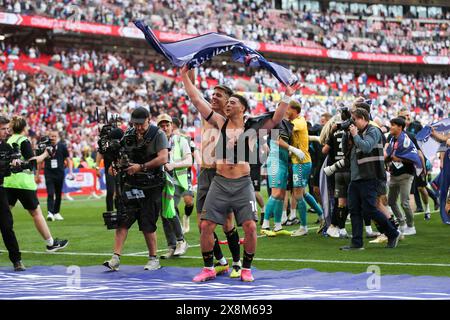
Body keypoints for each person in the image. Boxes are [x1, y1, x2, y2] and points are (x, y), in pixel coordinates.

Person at [182, 65, 300, 282]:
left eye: (232, 102)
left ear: (243, 108)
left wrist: (287, 95)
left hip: (242, 183)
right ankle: (209, 267)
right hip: (219, 182)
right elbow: (197, 100)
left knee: (251, 226)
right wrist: (184, 76)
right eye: (226, 103)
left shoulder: (253, 127)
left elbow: (276, 118)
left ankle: (246, 268)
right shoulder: (219, 122)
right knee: (206, 225)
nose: (227, 105)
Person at [183, 72, 242, 278]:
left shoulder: (229, 119)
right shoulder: (205, 113)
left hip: (222, 175)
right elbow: (194, 93)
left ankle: (237, 262)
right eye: (213, 94)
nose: (213, 97)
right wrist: (188, 69)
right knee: (202, 224)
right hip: (205, 173)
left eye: (219, 95)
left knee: (227, 223)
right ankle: (221, 261)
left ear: (228, 101)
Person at [103, 107, 169, 271]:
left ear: (149, 119)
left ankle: (153, 258)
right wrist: (117, 167)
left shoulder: (158, 134)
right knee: (123, 219)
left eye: (141, 124)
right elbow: (123, 156)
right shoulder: (129, 134)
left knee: (148, 222)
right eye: (135, 124)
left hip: (152, 185)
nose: (138, 127)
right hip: (132, 183)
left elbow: (163, 157)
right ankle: (115, 258)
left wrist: (141, 167)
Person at [3, 116, 69, 252]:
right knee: (36, 214)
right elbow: (32, 162)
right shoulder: (23, 140)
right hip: (23, 183)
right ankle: (51, 243)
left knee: (3, 214)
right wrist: (45, 154)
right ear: (24, 128)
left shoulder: (9, 140)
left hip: (8, 181)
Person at [340, 108, 400, 250]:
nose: (352, 123)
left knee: (369, 210)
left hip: (370, 175)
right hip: (356, 177)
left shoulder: (374, 131)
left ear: (363, 118)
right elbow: (345, 151)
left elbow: (366, 147)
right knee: (354, 210)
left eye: (354, 120)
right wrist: (346, 133)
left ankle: (392, 233)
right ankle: (357, 243)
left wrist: (354, 134)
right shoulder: (356, 133)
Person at [286, 101, 325, 237]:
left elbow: (287, 128)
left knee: (297, 193)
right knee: (302, 193)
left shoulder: (298, 122)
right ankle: (322, 215)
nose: (285, 111)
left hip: (301, 163)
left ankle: (303, 227)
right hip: (300, 162)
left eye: (287, 109)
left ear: (295, 110)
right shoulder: (300, 121)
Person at [157, 114, 189, 259]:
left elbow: (189, 160)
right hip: (160, 181)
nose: (165, 128)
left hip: (176, 180)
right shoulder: (156, 143)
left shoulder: (181, 140)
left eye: (167, 125)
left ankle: (181, 241)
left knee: (169, 207)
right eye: (162, 125)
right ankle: (171, 245)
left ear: (171, 126)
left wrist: (173, 165)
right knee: (164, 214)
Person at [386, 117, 423, 236]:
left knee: (404, 202)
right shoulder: (392, 139)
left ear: (400, 127)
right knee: (391, 201)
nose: (390, 127)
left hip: (406, 175)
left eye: (393, 125)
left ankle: (411, 226)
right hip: (394, 174)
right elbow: (390, 154)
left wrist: (399, 158)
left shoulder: (406, 140)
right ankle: (402, 223)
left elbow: (414, 157)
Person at [0, 115, 25, 271]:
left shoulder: (7, 147)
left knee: (7, 226)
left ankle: (17, 260)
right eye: (3, 129)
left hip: (0, 189)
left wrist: (16, 165)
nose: (6, 132)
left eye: (7, 129)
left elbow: (11, 169)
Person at [42, 131, 74, 221]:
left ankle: (56, 212)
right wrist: (37, 174)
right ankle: (50, 212)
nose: (53, 138)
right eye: (51, 136)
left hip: (60, 173)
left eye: (55, 136)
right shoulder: (45, 147)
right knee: (50, 193)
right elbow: (41, 161)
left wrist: (71, 172)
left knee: (59, 194)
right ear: (49, 137)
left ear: (58, 137)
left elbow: (68, 159)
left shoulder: (62, 147)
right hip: (49, 173)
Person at [171, 117, 195, 233]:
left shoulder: (186, 137)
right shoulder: (167, 138)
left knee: (189, 201)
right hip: (171, 174)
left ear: (174, 125)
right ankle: (178, 222)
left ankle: (186, 217)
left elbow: (194, 151)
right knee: (171, 203)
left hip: (184, 173)